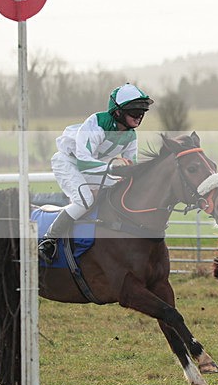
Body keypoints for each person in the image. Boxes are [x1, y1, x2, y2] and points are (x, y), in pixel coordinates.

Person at [37, 83, 154, 263]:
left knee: (120, 192)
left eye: (142, 111)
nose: (139, 116)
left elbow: (132, 167)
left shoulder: (131, 135)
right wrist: (116, 169)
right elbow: (84, 163)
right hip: (69, 162)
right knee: (85, 201)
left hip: (96, 166)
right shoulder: (97, 123)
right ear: (117, 112)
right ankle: (49, 239)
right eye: (134, 111)